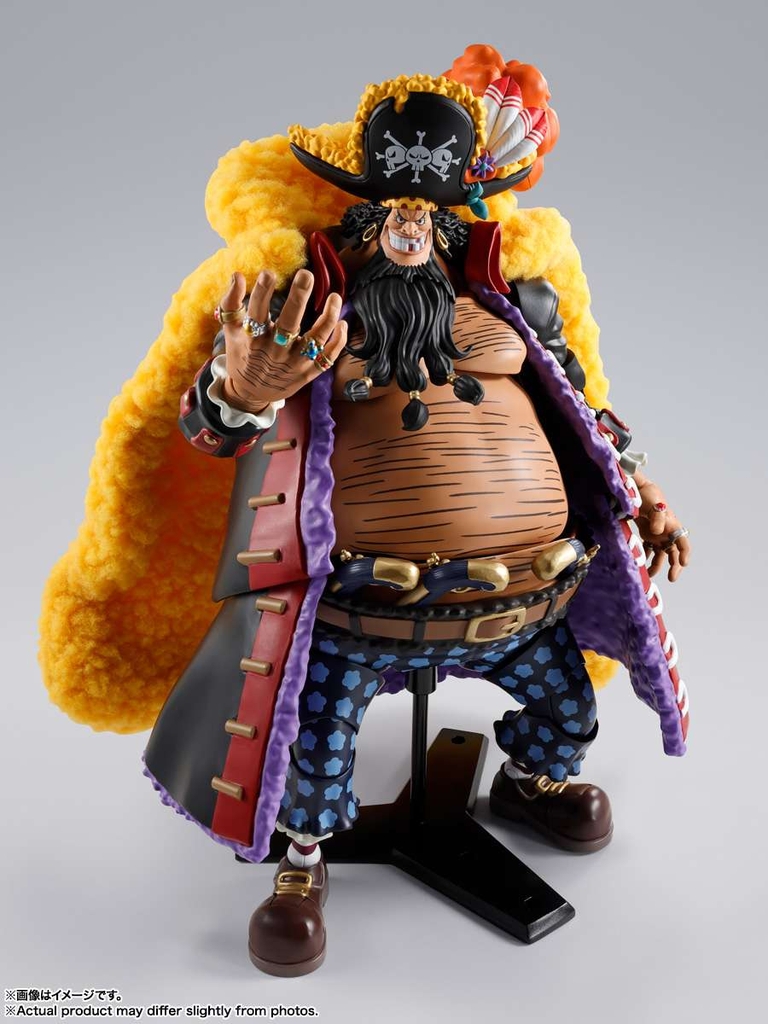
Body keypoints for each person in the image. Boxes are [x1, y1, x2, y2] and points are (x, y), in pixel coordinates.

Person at [41, 45, 691, 979]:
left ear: (461, 214)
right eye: (392, 209)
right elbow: (204, 425)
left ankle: (529, 780)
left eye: (431, 211)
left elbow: (587, 413)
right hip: (361, 611)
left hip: (522, 600)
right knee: (314, 749)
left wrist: (647, 498)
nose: (410, 227)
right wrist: (245, 388)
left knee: (569, 709)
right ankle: (302, 863)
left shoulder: (518, 304)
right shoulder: (305, 313)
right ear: (361, 210)